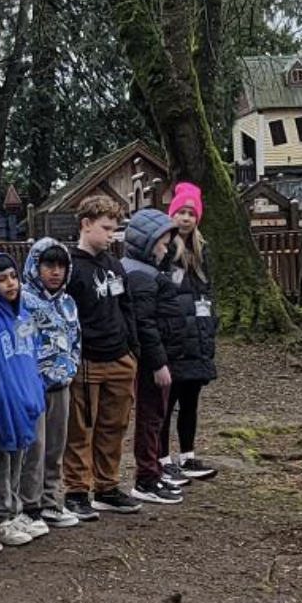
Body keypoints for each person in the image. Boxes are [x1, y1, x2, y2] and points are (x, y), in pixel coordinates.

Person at [59, 195, 139, 518]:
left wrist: (133, 351)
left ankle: (106, 487)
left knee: (114, 426)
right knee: (80, 428)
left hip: (119, 358)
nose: (111, 235)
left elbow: (127, 307)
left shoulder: (114, 265)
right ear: (86, 224)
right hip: (86, 361)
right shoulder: (69, 268)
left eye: (115, 229)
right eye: (106, 228)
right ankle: (76, 490)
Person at [0, 251, 48, 544]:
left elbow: (30, 357)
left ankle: (15, 511)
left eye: (13, 277)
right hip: (2, 402)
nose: (10, 284)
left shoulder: (22, 314)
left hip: (26, 400)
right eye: (1, 279)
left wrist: (35, 392)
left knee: (19, 456)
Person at [118, 202, 192, 505]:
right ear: (148, 242)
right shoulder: (140, 277)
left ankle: (152, 473)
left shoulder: (149, 271)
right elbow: (145, 325)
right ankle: (146, 477)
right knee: (151, 418)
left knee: (157, 416)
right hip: (151, 364)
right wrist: (159, 363)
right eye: (163, 241)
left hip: (161, 357)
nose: (166, 247)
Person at [18, 240, 81, 527]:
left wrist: (71, 366)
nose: (55, 272)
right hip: (33, 385)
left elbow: (75, 337)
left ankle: (51, 499)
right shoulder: (23, 300)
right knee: (35, 446)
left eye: (61, 266)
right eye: (48, 266)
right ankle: (29, 503)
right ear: (36, 267)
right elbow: (21, 339)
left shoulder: (67, 302)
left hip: (62, 382)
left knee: (56, 444)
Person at [162, 187, 219, 482]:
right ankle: (161, 459)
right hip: (174, 337)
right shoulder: (166, 248)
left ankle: (188, 456)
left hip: (198, 335)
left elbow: (207, 293)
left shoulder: (201, 250)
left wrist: (210, 327)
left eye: (191, 213)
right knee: (165, 403)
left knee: (191, 401)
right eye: (181, 212)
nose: (185, 218)